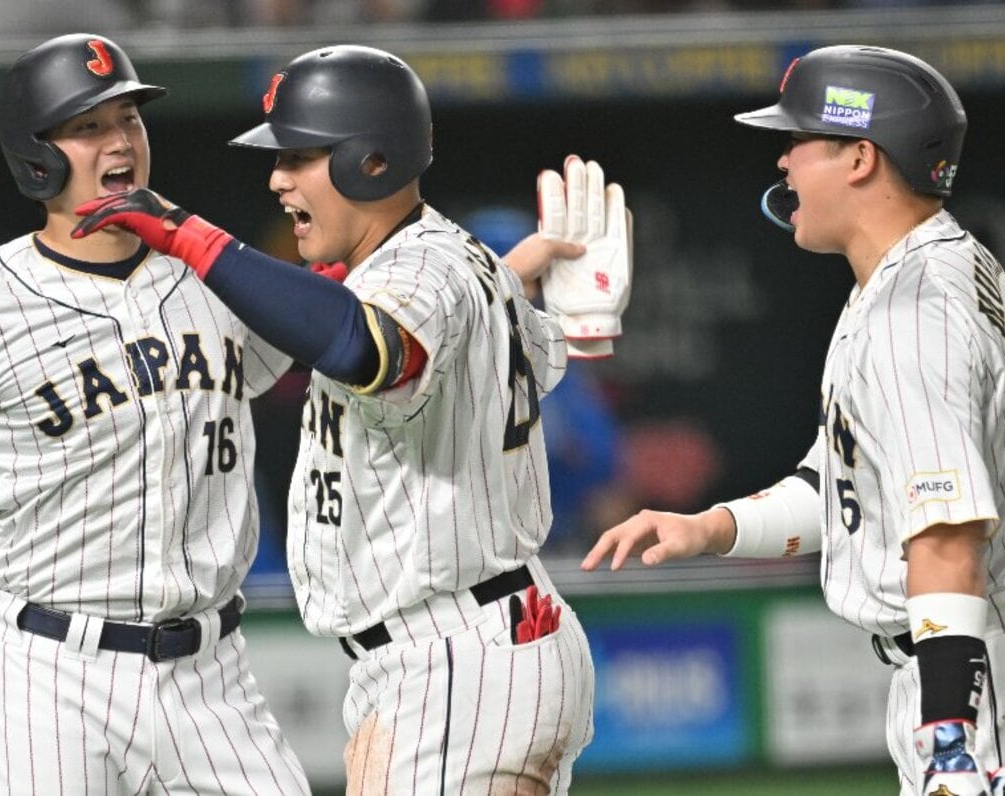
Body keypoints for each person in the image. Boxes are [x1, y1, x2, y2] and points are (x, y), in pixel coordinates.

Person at [72, 44, 631, 793]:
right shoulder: (441, 263)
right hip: (451, 652)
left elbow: (368, 348)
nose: (277, 179)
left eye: (300, 157)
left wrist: (188, 234)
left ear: (370, 162)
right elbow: (510, 347)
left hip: (459, 655)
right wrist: (520, 281)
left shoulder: (420, 268)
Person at [0, 33, 312, 794]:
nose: (121, 141)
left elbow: (354, 340)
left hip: (211, 671)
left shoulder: (216, 279)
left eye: (129, 120)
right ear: (38, 155)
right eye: (89, 126)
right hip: (52, 674)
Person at [582, 45, 1005, 796]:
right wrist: (712, 528)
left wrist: (950, 741)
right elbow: (850, 485)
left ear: (860, 156)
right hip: (978, 658)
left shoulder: (910, 313)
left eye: (798, 142)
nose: (784, 164)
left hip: (982, 676)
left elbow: (947, 531)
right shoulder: (923, 274)